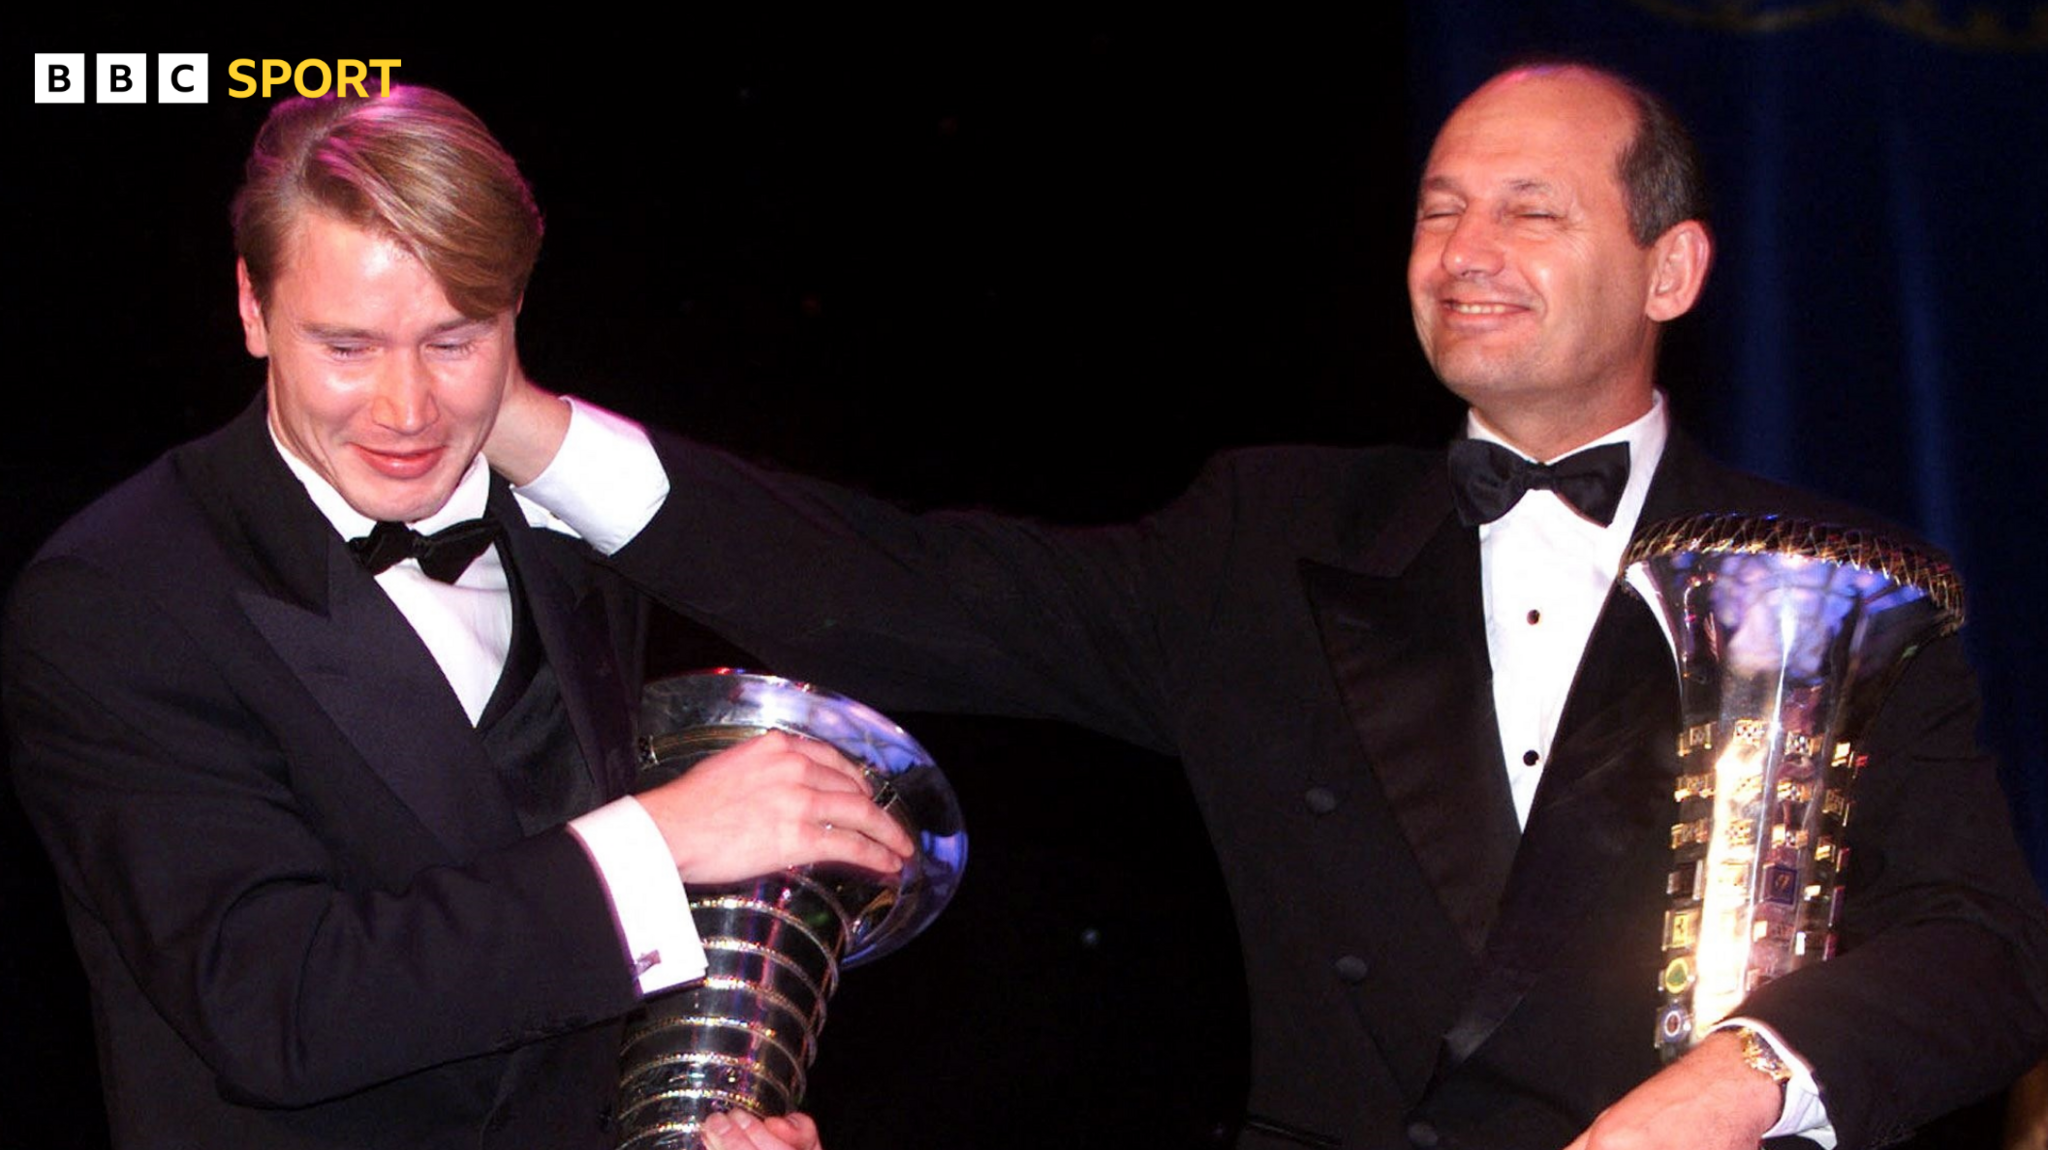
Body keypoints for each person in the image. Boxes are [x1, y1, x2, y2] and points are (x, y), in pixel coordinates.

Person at [479, 64, 2048, 1147]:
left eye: (1531, 211)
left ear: (1674, 268)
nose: (1465, 253)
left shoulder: (1836, 580)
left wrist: (1740, 1083)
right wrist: (531, 430)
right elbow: (909, 587)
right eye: (1439, 210)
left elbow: (1986, 952)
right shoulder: (1270, 537)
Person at [2, 88, 912, 1150]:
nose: (405, 411)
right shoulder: (118, 595)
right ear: (251, 309)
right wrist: (661, 840)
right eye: (347, 346)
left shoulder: (571, 540)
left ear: (516, 310)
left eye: (453, 339)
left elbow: (561, 1005)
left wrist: (693, 1122)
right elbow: (279, 1009)